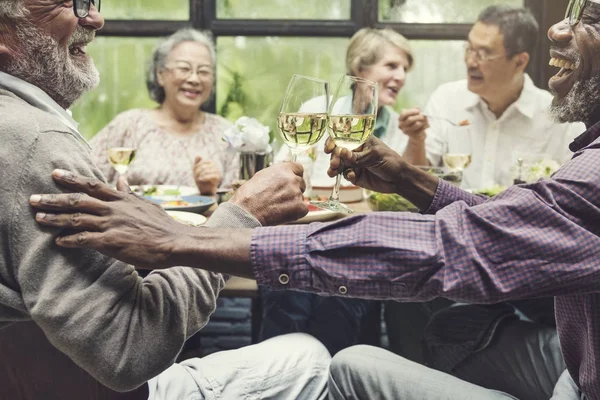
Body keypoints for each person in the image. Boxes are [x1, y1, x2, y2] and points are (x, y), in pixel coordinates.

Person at [31, 1, 600, 398]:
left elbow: (450, 250)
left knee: (342, 362)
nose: (557, 30)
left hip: (577, 383)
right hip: (573, 360)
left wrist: (184, 238)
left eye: (589, 16)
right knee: (446, 334)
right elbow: (516, 227)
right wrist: (408, 178)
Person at [0, 1, 332, 398]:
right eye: (68, 2)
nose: (96, 18)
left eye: (89, 1)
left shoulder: (222, 130)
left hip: (37, 372)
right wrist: (244, 214)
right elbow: (126, 350)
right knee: (312, 356)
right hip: (85, 386)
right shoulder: (42, 143)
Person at [386, 6, 582, 398]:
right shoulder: (447, 99)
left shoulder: (557, 116)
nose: (470, 61)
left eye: (483, 53)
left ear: (519, 60)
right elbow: (406, 189)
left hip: (523, 260)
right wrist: (417, 139)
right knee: (401, 280)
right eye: (468, 49)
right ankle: (409, 382)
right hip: (454, 248)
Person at [263, 27, 415, 355]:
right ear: (361, 68)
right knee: (290, 298)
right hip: (304, 233)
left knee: (339, 306)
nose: (401, 76)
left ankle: (335, 376)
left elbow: (400, 199)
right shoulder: (318, 108)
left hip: (360, 241)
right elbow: (283, 168)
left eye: (405, 68)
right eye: (391, 66)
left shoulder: (402, 130)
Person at [90, 28, 238, 195]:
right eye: (184, 69)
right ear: (160, 74)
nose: (194, 79)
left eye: (204, 71)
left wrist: (209, 192)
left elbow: (237, 202)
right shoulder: (129, 124)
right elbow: (86, 175)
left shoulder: (226, 134)